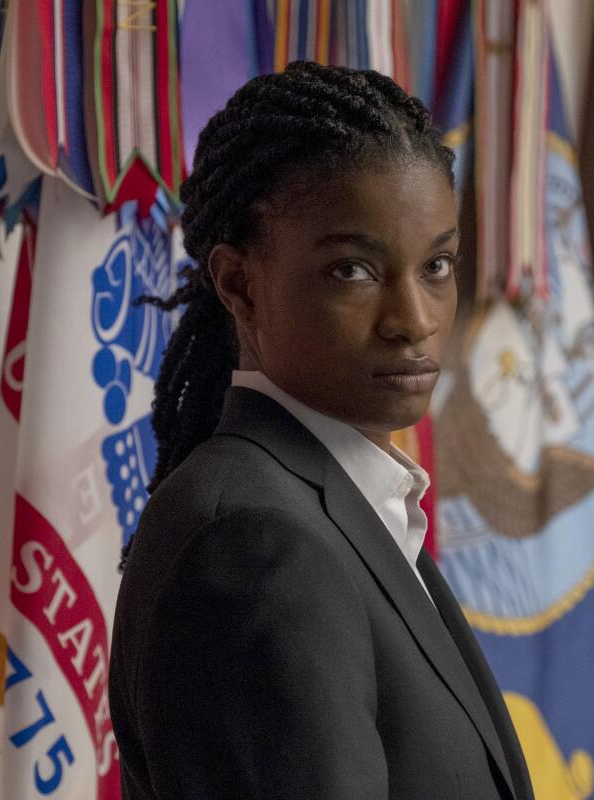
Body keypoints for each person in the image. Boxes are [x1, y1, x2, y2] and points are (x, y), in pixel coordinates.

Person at [109, 60, 533, 800]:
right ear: (240, 284)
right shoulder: (254, 544)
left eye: (437, 264)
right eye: (354, 271)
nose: (417, 320)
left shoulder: (340, 507)